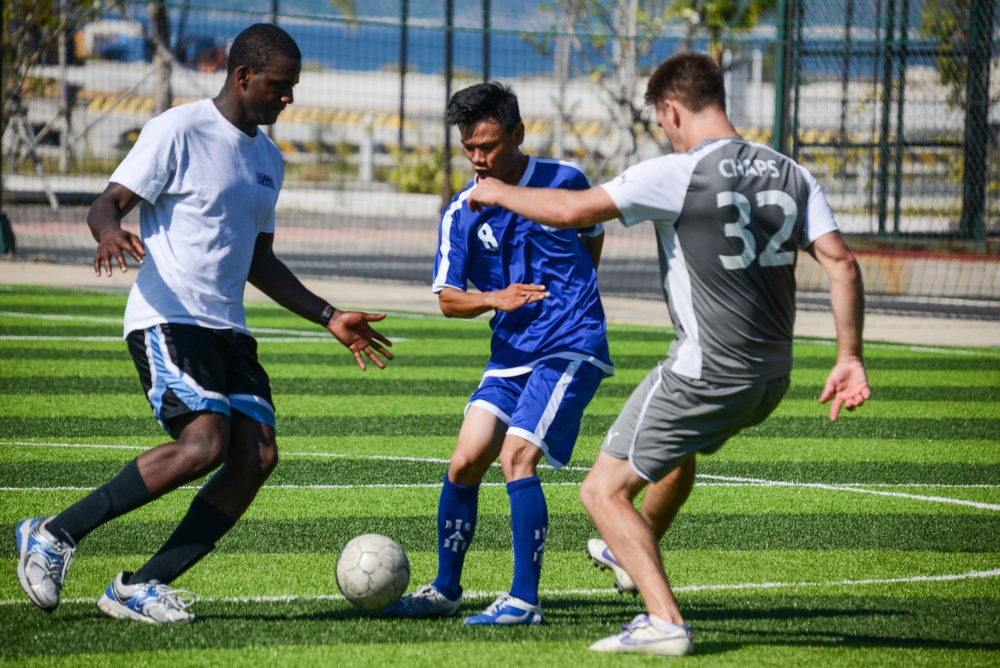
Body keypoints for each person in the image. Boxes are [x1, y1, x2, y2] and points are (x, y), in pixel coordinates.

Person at [467, 52, 870, 655]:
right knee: (675, 451)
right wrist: (849, 356)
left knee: (601, 491)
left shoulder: (678, 171)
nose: (664, 131)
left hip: (702, 368)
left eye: (661, 121)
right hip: (770, 378)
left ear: (672, 109)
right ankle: (632, 547)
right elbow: (841, 262)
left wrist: (499, 191)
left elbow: (573, 211)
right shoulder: (791, 172)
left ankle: (664, 622)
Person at [14, 23, 393, 624]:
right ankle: (55, 534)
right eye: (279, 85)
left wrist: (328, 316)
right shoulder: (178, 129)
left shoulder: (269, 159)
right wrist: (110, 232)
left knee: (257, 457)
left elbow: (259, 261)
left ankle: (140, 585)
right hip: (168, 317)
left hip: (229, 329)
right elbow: (106, 202)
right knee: (204, 443)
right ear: (243, 77)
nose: (288, 98)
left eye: (293, 86)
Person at [382, 82, 614, 625]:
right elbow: (447, 300)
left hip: (569, 343)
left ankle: (524, 601)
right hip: (510, 352)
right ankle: (445, 589)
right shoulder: (460, 212)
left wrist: (576, 295)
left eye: (488, 146)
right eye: (469, 149)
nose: (478, 159)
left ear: (518, 133)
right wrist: (494, 299)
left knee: (517, 456)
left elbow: (591, 234)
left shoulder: (564, 181)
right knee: (465, 460)